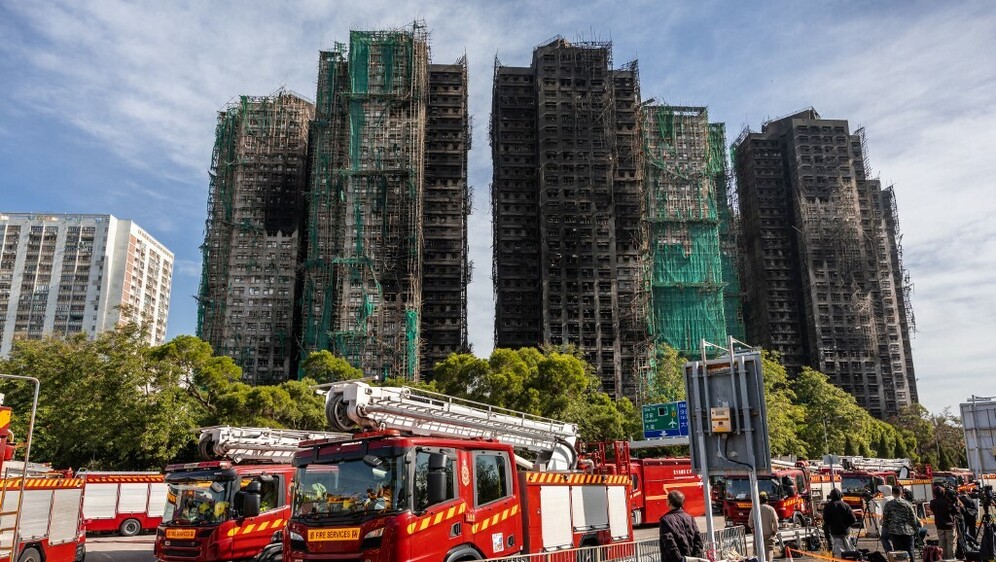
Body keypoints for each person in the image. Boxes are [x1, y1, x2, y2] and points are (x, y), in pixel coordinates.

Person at [659, 490, 705, 562]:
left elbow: (670, 544)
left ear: (669, 502)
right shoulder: (690, 517)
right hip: (691, 558)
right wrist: (696, 558)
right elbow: (698, 540)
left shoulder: (665, 520)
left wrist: (680, 560)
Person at [882, 485, 921, 561]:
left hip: (895, 531)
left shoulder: (888, 504)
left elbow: (885, 518)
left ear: (893, 493)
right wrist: (916, 530)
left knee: (899, 553)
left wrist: (886, 527)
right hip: (908, 531)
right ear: (901, 493)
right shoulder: (907, 504)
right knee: (910, 551)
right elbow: (913, 518)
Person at [823, 488, 857, 556]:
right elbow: (853, 519)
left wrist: (832, 525)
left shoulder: (828, 506)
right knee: (849, 549)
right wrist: (846, 525)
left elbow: (826, 520)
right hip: (845, 532)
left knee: (839, 552)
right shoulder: (846, 505)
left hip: (835, 532)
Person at [748, 492, 780, 561]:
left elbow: (750, 522)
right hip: (769, 535)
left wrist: (753, 530)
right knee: (768, 555)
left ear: (758, 500)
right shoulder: (771, 509)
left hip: (757, 535)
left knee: (757, 555)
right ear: (767, 500)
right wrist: (774, 531)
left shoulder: (754, 509)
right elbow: (776, 523)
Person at [929, 486, 957, 559]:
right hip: (949, 525)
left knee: (941, 544)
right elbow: (956, 511)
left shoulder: (932, 502)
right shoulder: (948, 501)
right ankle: (950, 559)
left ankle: (942, 558)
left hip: (939, 525)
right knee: (950, 544)